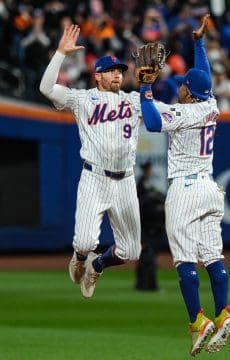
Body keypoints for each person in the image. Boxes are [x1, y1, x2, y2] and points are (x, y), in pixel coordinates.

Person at [137, 15, 230, 355]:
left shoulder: (186, 112)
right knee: (213, 257)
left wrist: (144, 89)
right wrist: (199, 44)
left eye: (182, 85)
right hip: (210, 189)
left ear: (188, 93)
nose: (178, 86)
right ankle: (223, 313)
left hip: (186, 191)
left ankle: (198, 320)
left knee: (184, 261)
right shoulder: (211, 104)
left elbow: (151, 122)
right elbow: (203, 76)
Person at [39, 24, 142, 299]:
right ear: (98, 76)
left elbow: (163, 116)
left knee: (132, 251)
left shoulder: (135, 101)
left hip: (125, 181)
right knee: (84, 241)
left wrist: (150, 87)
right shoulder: (84, 99)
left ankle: (97, 264)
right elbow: (46, 87)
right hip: (94, 177)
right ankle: (81, 256)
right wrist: (61, 52)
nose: (117, 74)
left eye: (120, 70)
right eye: (111, 71)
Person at [135, 161, 165, 291]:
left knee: (145, 256)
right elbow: (144, 202)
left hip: (149, 226)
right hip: (145, 225)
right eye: (149, 169)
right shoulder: (141, 184)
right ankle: (149, 285)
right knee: (148, 257)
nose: (150, 171)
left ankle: (142, 285)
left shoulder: (147, 183)